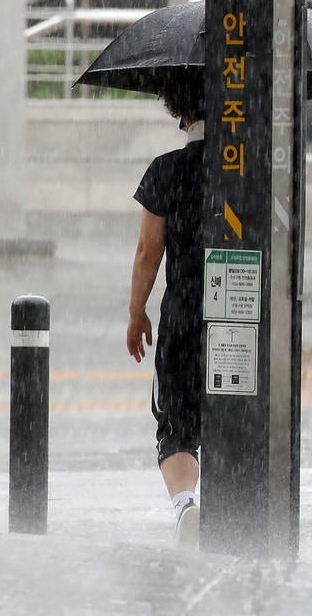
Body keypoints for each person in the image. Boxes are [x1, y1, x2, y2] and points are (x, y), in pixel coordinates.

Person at [124, 75, 206, 548]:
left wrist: (137, 313)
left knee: (176, 419)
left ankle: (185, 506)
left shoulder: (166, 171)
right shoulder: (249, 167)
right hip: (242, 317)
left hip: (182, 315)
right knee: (236, 407)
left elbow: (147, 251)